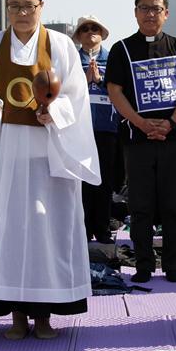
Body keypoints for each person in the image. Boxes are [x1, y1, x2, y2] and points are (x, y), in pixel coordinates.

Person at [0, 0, 100, 339]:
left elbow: (76, 98)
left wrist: (56, 112)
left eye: (28, 6)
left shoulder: (61, 46)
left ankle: (45, 314)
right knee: (8, 232)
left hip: (49, 156)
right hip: (5, 153)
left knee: (47, 233)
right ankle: (15, 314)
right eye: (15, 6)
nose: (22, 13)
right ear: (6, 8)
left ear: (41, 7)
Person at [104, 0, 176, 283]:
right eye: (144, 8)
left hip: (175, 138)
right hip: (137, 139)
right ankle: (143, 265)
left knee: (174, 206)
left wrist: (171, 122)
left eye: (156, 8)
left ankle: (172, 265)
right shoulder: (122, 49)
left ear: (166, 13)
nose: (150, 14)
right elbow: (114, 91)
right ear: (135, 12)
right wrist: (140, 123)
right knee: (140, 206)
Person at [75, 15, 118, 244]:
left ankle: (102, 229)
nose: (90, 32)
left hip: (106, 128)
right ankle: (82, 229)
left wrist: (100, 80)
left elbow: (122, 90)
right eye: (85, 29)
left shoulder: (113, 59)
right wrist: (84, 80)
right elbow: (63, 89)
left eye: (95, 28)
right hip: (79, 130)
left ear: (102, 34)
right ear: (79, 35)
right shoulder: (72, 59)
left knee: (104, 181)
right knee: (81, 182)